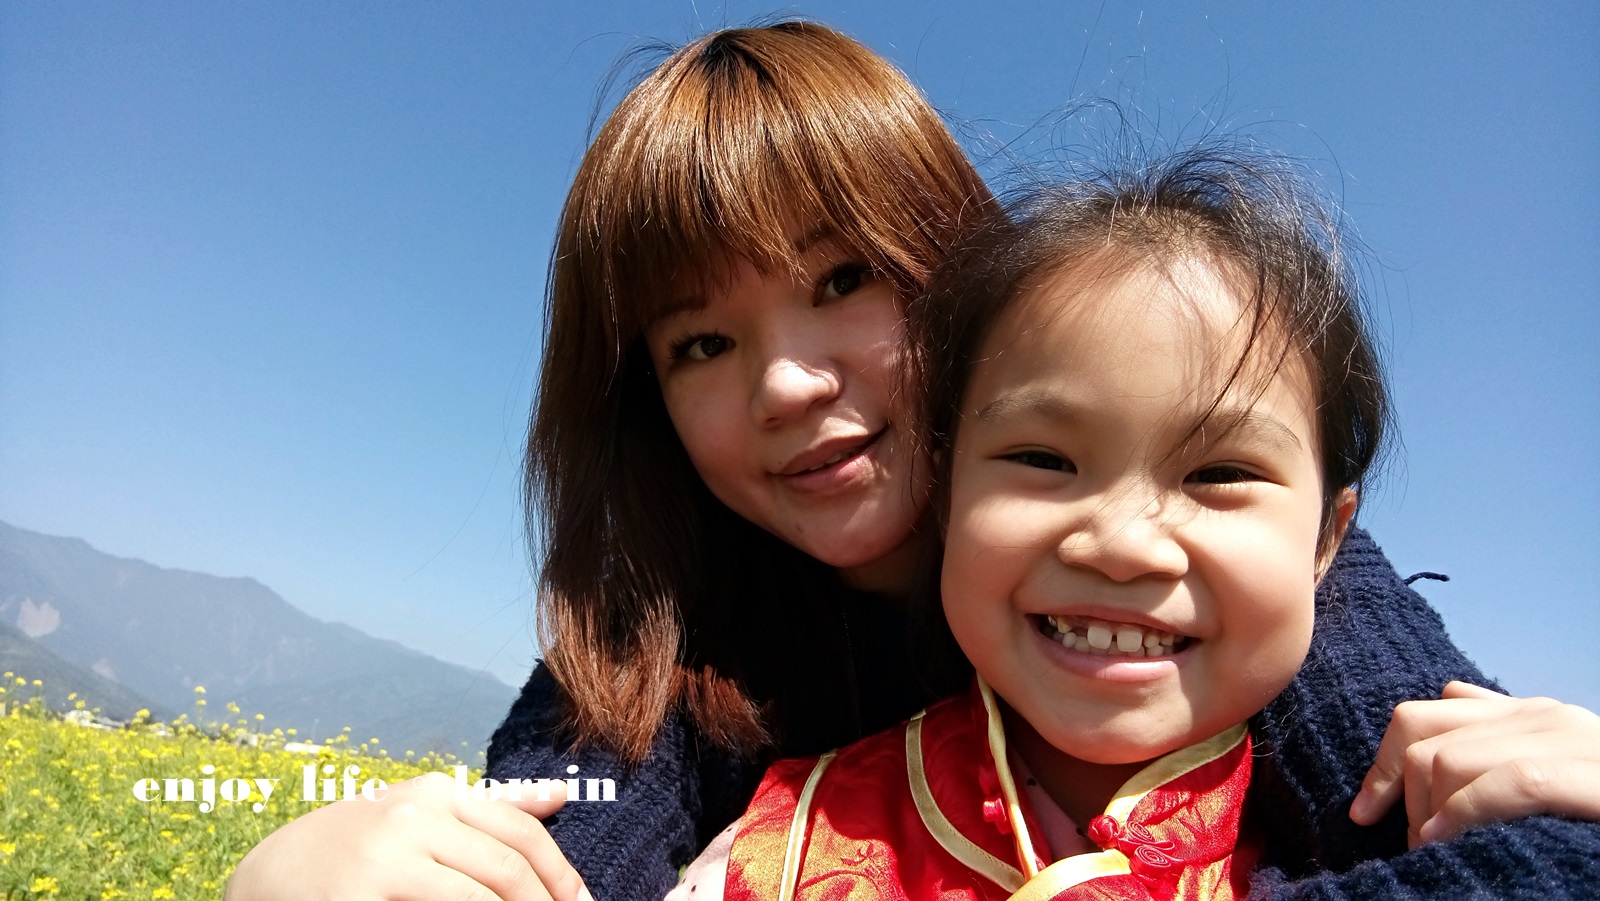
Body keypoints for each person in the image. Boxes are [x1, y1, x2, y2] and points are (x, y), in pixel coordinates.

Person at [224, 21, 1600, 901]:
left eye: (844, 280)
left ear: (970, 284)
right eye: (699, 344)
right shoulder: (658, 654)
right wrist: (303, 868)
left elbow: (1505, 840)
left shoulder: (1231, 564)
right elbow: (560, 826)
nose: (786, 383)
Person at [680, 147, 1591, 898]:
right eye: (1043, 460)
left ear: (1328, 541)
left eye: (1220, 472)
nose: (1121, 542)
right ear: (945, 494)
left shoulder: (1443, 812)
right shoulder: (773, 852)